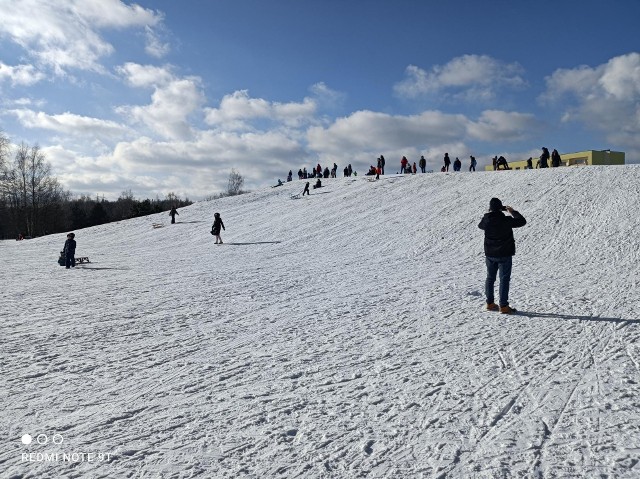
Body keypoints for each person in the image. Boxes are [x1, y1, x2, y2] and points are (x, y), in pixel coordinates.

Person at [478, 198, 527, 314]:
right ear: (501, 208)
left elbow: (480, 226)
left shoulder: (487, 220)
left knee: (490, 278)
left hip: (490, 254)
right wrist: (512, 211)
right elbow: (522, 221)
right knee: (504, 279)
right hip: (504, 254)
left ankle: (490, 303)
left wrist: (490, 213)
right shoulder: (506, 220)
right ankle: (503, 306)